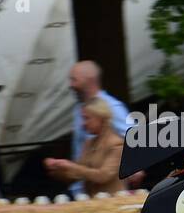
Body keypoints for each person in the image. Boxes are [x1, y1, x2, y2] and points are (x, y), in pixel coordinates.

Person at [67, 61, 130, 196]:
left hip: (107, 193)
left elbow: (136, 140)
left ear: (88, 79)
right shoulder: (79, 109)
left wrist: (136, 168)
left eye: (74, 79)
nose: (70, 85)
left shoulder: (113, 107)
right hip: (84, 191)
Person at [44, 97, 124, 196]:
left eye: (87, 118)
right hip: (92, 204)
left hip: (113, 203)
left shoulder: (117, 144)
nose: (83, 124)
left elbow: (103, 176)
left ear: (101, 118)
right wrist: (58, 168)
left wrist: (71, 166)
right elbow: (77, 175)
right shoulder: (89, 143)